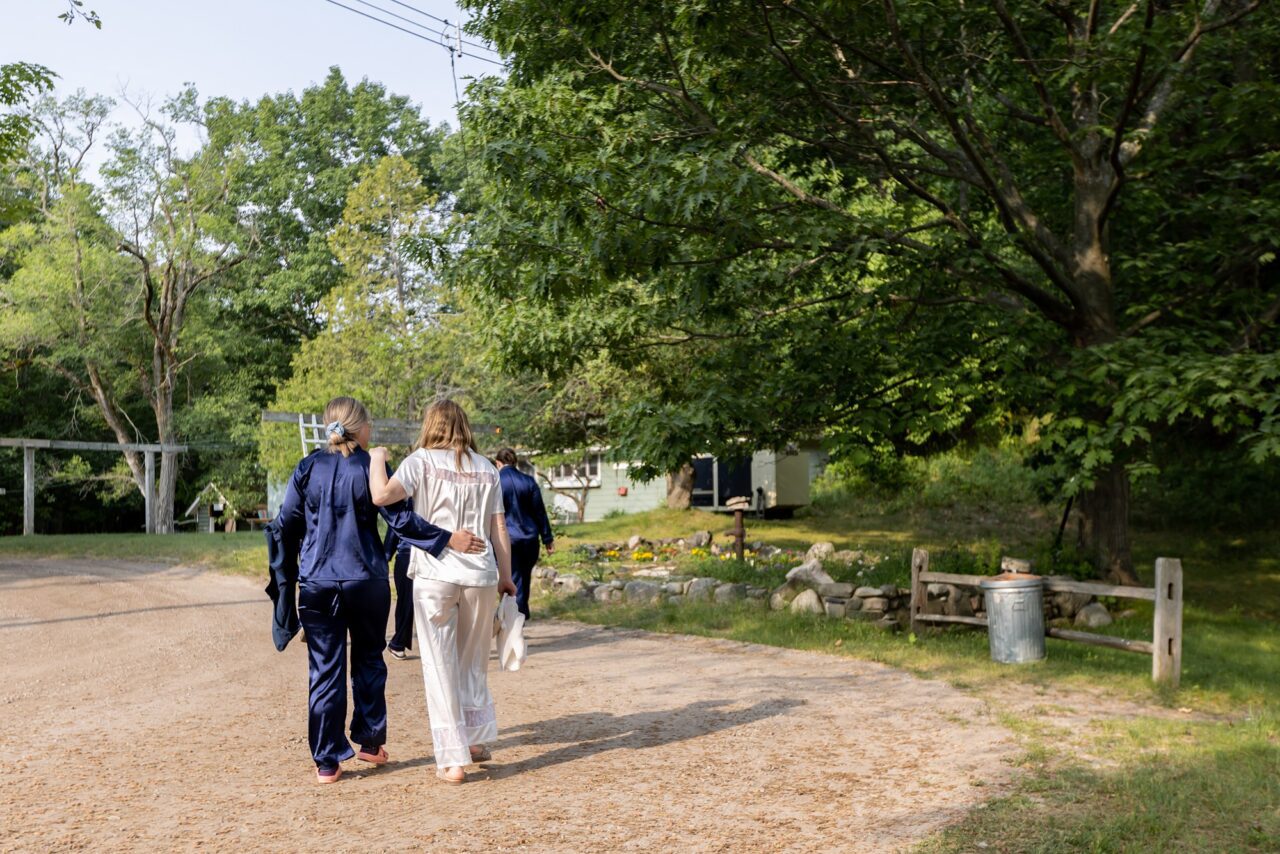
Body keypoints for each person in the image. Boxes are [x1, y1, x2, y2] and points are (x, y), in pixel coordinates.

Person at [275, 396, 486, 784]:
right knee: (370, 659)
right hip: (366, 579)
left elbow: (286, 524)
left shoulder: (306, 468)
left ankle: (327, 762)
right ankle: (370, 742)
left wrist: (287, 581)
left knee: (325, 670)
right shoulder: (371, 466)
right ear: (361, 428)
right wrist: (446, 539)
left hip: (318, 583)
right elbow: (401, 520)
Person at [369, 400, 517, 785]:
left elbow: (383, 496)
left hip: (436, 573)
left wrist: (377, 458)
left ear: (431, 424)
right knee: (472, 662)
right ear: (464, 426)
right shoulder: (486, 467)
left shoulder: (420, 461)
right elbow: (499, 528)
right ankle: (476, 740)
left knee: (439, 666)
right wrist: (507, 576)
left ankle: (453, 760)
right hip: (481, 575)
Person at [494, 447, 554, 619]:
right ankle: (520, 613)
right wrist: (547, 538)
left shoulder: (496, 482)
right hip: (529, 538)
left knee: (511, 577)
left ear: (498, 463)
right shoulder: (529, 481)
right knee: (523, 577)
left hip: (506, 539)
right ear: (515, 462)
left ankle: (514, 617)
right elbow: (539, 512)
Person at [383, 530, 414, 660]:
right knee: (408, 602)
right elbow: (395, 528)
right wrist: (385, 556)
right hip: (407, 557)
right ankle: (398, 643)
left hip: (433, 556)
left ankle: (398, 643)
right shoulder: (405, 508)